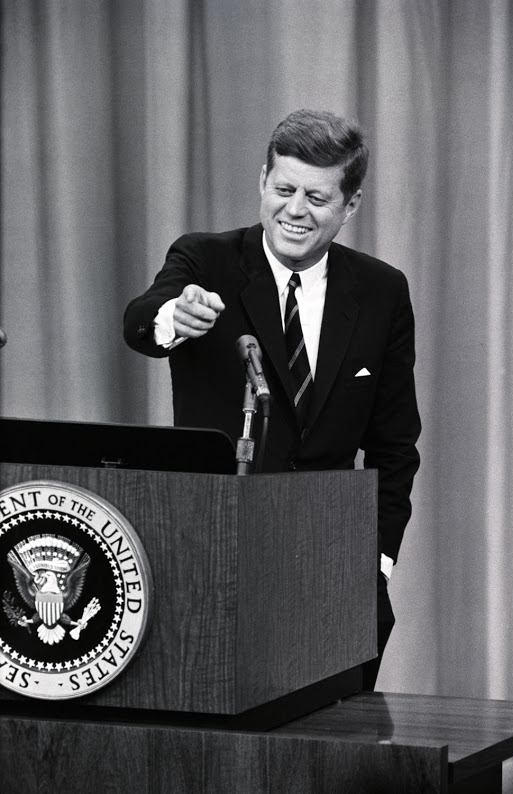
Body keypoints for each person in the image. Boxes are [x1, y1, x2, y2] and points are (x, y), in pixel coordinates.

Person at [124, 109, 421, 689]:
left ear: (350, 205)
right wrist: (172, 317)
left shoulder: (382, 290)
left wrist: (377, 561)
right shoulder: (206, 260)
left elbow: (395, 444)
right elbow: (141, 321)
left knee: (332, 732)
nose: (295, 210)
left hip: (331, 570)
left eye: (317, 196)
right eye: (284, 189)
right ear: (263, 180)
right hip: (215, 557)